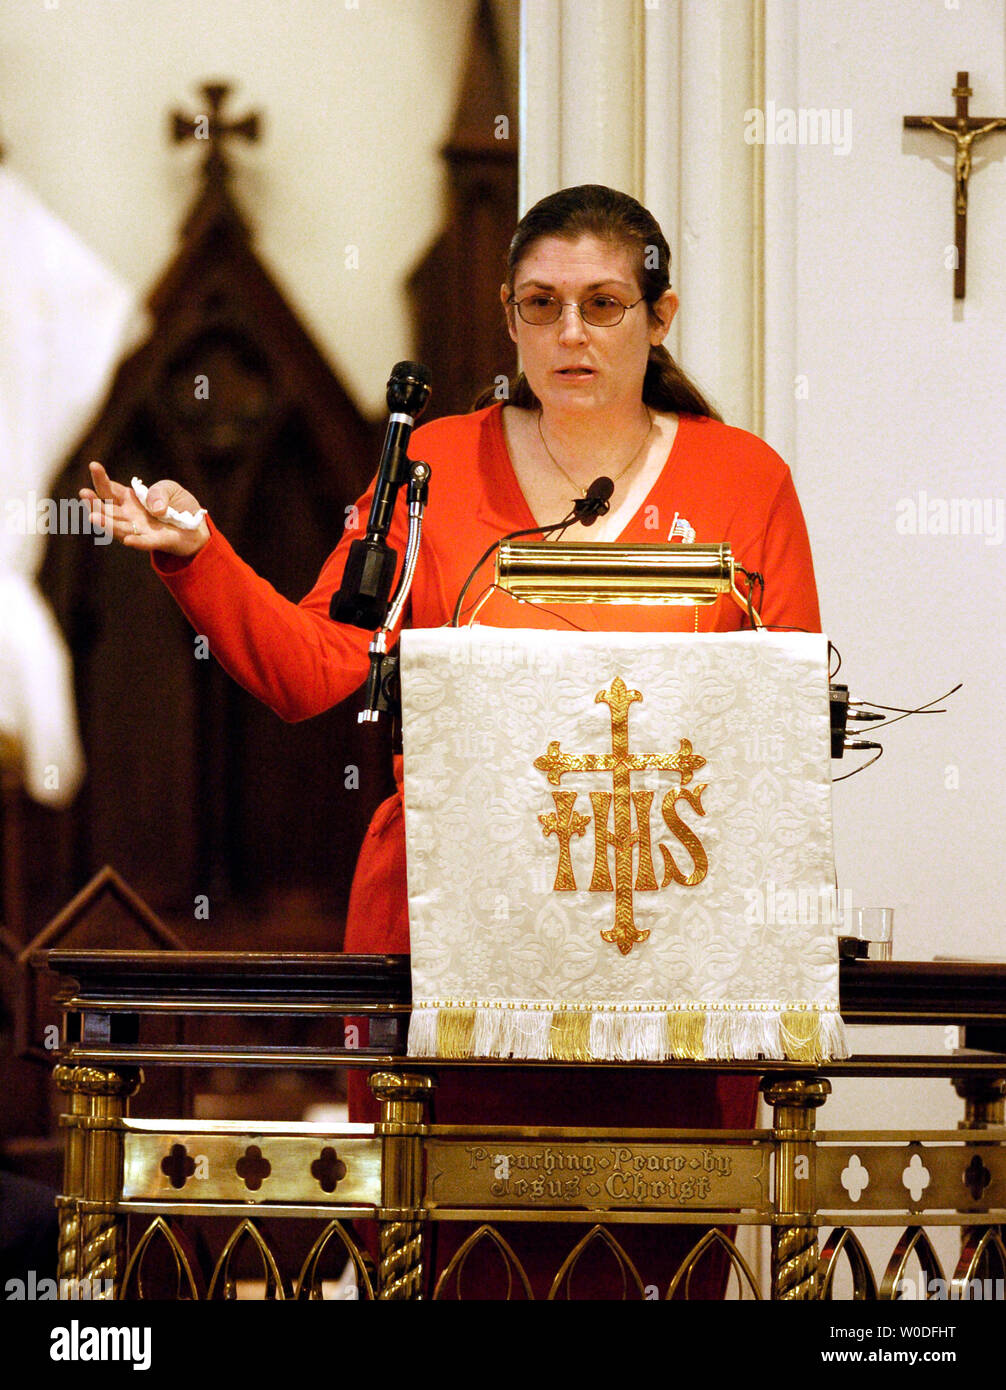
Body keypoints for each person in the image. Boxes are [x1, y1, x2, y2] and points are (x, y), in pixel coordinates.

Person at [81, 184, 820, 1298]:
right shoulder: (426, 464)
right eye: (543, 304)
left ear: (659, 318)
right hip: (448, 952)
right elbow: (315, 664)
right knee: (447, 1256)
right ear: (509, 318)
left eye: (604, 304)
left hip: (666, 958)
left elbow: (785, 709)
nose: (571, 332)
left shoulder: (743, 478)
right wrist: (197, 554)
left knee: (654, 1260)